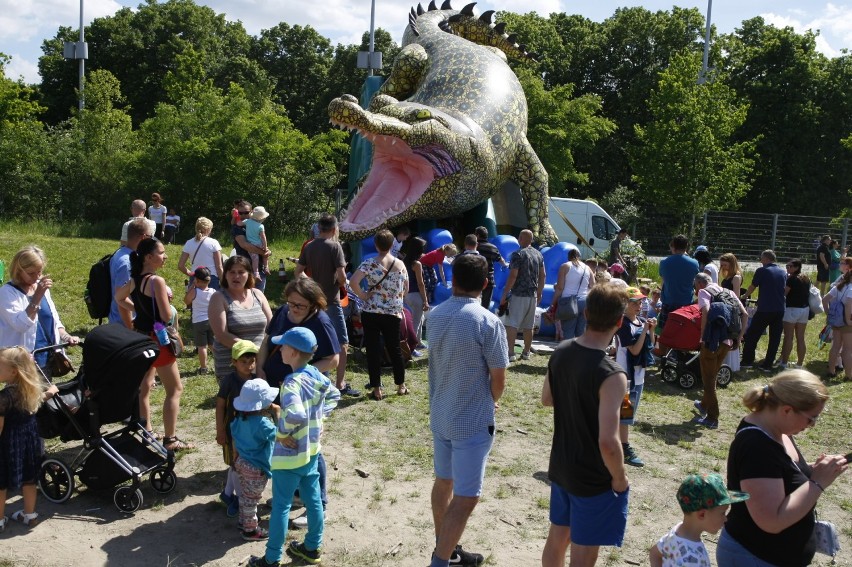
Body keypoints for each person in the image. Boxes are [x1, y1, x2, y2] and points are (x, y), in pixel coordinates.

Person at [718, 370, 848, 566]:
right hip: (755, 557)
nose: (812, 425)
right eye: (811, 418)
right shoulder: (757, 446)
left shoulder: (776, 429)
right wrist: (818, 482)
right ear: (787, 410)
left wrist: (817, 469)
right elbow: (772, 521)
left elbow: (781, 473)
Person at [541, 284, 630, 567]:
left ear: (586, 312)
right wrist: (619, 477)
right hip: (593, 477)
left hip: (562, 465)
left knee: (558, 538)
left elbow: (547, 399)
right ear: (619, 321)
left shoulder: (561, 351)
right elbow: (608, 441)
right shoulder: (612, 374)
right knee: (584, 551)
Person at [427, 253, 508, 567]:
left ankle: (445, 545)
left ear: (453, 280)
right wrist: (491, 400)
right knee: (466, 497)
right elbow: (498, 378)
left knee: (443, 481)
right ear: (486, 284)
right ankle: (441, 559)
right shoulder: (488, 322)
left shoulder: (434, 315)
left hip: (441, 413)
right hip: (471, 420)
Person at [249, 327, 341, 567]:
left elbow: (296, 414)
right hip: (311, 452)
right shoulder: (315, 373)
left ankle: (272, 558)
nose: (278, 349)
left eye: (282, 346)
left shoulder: (291, 383)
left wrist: (282, 433)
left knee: (281, 506)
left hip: (289, 458)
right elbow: (334, 395)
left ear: (292, 352)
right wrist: (321, 419)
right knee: (313, 501)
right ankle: (311, 547)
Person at [256, 277, 342, 528]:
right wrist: (261, 368)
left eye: (299, 306)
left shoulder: (321, 322)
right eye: (290, 303)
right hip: (276, 387)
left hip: (301, 393)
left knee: (310, 446)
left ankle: (320, 503)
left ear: (314, 304)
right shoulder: (283, 312)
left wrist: (300, 374)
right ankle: (296, 494)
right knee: (289, 443)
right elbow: (267, 339)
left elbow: (333, 359)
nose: (292, 309)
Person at [114, 237, 192, 451]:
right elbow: (166, 315)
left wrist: (136, 310)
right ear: (149, 257)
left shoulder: (135, 279)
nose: (165, 256)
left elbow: (119, 298)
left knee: (144, 388)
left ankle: (147, 432)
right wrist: (166, 299)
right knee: (175, 389)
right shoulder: (156, 281)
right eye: (162, 252)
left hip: (140, 338)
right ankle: (170, 439)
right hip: (158, 340)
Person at [294, 213, 359, 398]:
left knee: (320, 342)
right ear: (334, 228)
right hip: (331, 302)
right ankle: (339, 384)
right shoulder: (335, 246)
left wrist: (311, 286)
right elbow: (341, 276)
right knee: (342, 343)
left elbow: (298, 272)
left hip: (314, 303)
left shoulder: (310, 245)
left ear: (319, 227)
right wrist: (342, 283)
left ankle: (322, 382)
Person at [0, 346, 59, 530]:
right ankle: (30, 515)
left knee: (1, 482)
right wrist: (51, 392)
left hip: (8, 443)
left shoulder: (4, 397)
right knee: (29, 478)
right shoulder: (31, 389)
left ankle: (0, 519)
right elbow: (42, 397)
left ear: (13, 372)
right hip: (30, 441)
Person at [0, 246, 82, 375]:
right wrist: (37, 296)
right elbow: (20, 325)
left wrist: (66, 336)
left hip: (47, 356)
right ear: (18, 270)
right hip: (22, 364)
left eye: (39, 271)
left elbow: (53, 320)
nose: (37, 277)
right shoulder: (7, 293)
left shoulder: (41, 287)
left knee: (46, 394)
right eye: (31, 273)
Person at [349, 229, 410, 400]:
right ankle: (401, 385)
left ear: (376, 245)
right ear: (392, 245)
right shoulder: (400, 264)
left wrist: (363, 295)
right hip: (393, 313)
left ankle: (376, 389)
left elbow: (353, 282)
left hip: (371, 312)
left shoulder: (369, 263)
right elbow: (406, 290)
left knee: (373, 350)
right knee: (395, 348)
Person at [649, 473, 749, 567]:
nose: (725, 518)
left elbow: (654, 553)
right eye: (722, 513)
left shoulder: (676, 532)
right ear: (702, 514)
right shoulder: (691, 558)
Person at [692, 273, 748, 429]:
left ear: (700, 284)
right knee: (713, 374)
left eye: (695, 287)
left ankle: (712, 417)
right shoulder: (729, 292)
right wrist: (740, 338)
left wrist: (703, 337)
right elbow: (745, 314)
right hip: (728, 341)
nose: (696, 290)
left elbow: (706, 311)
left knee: (709, 380)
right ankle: (703, 405)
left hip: (712, 342)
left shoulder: (705, 292)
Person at [216, 340, 262, 521]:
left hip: (249, 432)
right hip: (231, 431)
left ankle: (227, 494)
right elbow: (220, 406)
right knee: (235, 464)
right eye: (244, 361)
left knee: (239, 463)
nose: (249, 365)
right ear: (234, 361)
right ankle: (239, 498)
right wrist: (220, 430)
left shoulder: (256, 379)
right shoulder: (229, 380)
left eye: (252, 361)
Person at [209, 256, 273, 386]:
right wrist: (253, 351)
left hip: (260, 362)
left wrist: (260, 359)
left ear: (249, 275)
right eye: (232, 272)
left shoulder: (257, 294)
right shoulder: (218, 297)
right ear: (225, 275)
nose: (236, 276)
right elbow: (222, 334)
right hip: (232, 364)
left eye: (241, 272)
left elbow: (272, 327)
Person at [231, 378, 279, 542]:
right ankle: (250, 531)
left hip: (241, 462)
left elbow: (234, 439)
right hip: (256, 467)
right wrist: (278, 415)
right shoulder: (262, 424)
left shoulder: (238, 419)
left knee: (245, 495)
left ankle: (243, 521)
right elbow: (280, 436)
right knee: (252, 499)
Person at [615, 287, 656, 467]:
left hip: (638, 377)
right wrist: (646, 329)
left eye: (641, 302)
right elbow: (635, 349)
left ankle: (619, 445)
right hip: (625, 377)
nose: (640, 305)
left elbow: (651, 345)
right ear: (625, 304)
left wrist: (650, 330)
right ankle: (624, 448)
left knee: (626, 414)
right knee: (625, 415)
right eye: (635, 302)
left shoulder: (639, 322)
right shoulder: (622, 324)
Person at [498, 229, 545, 362]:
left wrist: (505, 293)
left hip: (519, 293)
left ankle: (511, 353)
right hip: (533, 295)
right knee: (528, 326)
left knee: (512, 323)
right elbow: (543, 275)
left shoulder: (517, 254)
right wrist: (540, 292)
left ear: (521, 239)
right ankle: (526, 353)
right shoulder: (538, 255)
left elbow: (513, 275)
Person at [741, 250, 787, 372]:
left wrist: (744, 296)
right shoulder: (783, 271)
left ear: (766, 259)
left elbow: (752, 286)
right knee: (775, 338)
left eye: (761, 258)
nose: (760, 260)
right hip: (780, 309)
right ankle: (768, 364)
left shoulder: (762, 270)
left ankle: (747, 361)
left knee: (752, 334)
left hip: (765, 309)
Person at [550, 247, 595, 341]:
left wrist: (553, 303)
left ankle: (567, 353)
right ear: (579, 256)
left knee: (568, 332)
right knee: (581, 331)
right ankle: (579, 353)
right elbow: (593, 285)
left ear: (568, 257)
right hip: (584, 301)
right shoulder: (588, 268)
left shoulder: (565, 266)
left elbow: (560, 288)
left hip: (568, 302)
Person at [658, 235, 699, 329]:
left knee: (666, 333)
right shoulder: (694, 263)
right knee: (682, 333)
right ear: (687, 246)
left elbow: (663, 281)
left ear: (674, 245)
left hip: (668, 303)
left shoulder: (664, 262)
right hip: (686, 304)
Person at [232, 200, 271, 292]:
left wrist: (268, 251)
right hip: (244, 269)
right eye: (240, 213)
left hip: (260, 268)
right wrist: (264, 252)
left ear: (252, 212)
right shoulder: (237, 228)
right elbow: (245, 245)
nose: (243, 215)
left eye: (246, 212)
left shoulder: (258, 225)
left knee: (258, 299)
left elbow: (263, 242)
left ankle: (266, 268)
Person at [779, 259, 811, 369]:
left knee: (788, 337)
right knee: (800, 338)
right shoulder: (806, 278)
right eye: (787, 266)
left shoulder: (791, 279)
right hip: (804, 310)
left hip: (792, 309)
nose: (787, 268)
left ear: (797, 267)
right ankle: (799, 364)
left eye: (790, 266)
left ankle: (783, 363)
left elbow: (784, 294)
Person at [177, 217, 224, 291]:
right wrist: (223, 282)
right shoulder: (214, 243)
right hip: (211, 278)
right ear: (208, 229)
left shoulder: (189, 243)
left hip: (196, 278)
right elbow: (219, 267)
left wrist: (191, 274)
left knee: (195, 302)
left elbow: (180, 266)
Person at [184, 266, 215, 374]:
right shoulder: (213, 291)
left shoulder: (195, 292)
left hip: (198, 322)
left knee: (202, 346)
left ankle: (203, 368)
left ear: (196, 280)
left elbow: (186, 301)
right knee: (212, 344)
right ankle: (221, 361)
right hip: (211, 321)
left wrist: (192, 287)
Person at [823, 265, 852, 381]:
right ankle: (849, 375)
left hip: (836, 320)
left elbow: (825, 299)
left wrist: (829, 314)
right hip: (847, 321)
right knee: (848, 349)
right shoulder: (851, 289)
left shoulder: (839, 286)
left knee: (835, 346)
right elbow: (849, 305)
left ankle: (831, 371)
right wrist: (849, 320)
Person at [719, 252, 744, 372]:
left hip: (731, 309)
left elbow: (736, 296)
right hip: (725, 308)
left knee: (731, 335)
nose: (723, 267)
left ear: (731, 263)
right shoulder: (728, 276)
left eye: (725, 265)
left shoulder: (736, 277)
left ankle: (731, 365)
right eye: (722, 265)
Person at [403, 237, 429, 350]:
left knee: (418, 318)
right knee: (416, 322)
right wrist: (425, 300)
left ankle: (418, 342)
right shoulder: (417, 264)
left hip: (406, 294)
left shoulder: (403, 261)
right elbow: (420, 283)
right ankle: (411, 347)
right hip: (416, 294)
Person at [474, 226, 508, 310]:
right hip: (489, 280)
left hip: (475, 279)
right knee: (485, 306)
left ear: (477, 235)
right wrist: (505, 265)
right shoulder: (492, 247)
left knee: (473, 305)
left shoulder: (474, 246)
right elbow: (501, 261)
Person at [245, 206, 270, 279]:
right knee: (265, 255)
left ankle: (256, 273)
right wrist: (265, 246)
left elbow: (239, 223)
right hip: (260, 244)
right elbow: (263, 237)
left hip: (251, 244)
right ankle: (266, 267)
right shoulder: (261, 226)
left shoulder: (248, 221)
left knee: (255, 258)